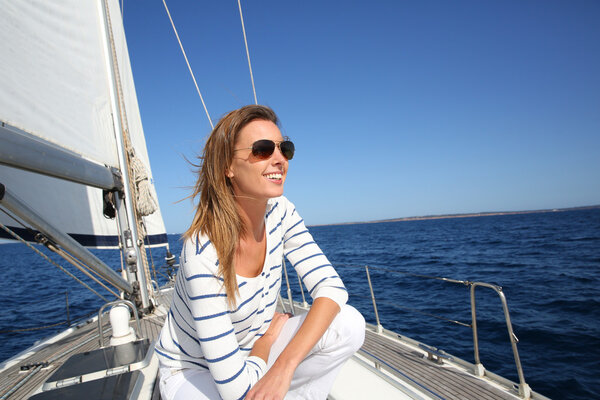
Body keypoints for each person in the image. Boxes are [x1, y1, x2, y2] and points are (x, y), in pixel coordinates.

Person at [156, 105, 365, 400]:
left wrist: (285, 366)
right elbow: (234, 391)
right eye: (262, 150)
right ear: (228, 166)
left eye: (285, 149)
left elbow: (332, 289)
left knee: (349, 325)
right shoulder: (203, 252)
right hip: (193, 370)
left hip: (251, 354)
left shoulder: (281, 211)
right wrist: (266, 343)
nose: (279, 159)